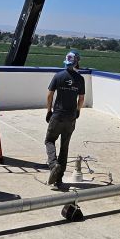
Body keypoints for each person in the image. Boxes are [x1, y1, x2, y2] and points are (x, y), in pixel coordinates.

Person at [45, 50, 85, 186]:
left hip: (57, 116)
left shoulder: (58, 76)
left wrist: (48, 111)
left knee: (49, 141)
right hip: (71, 117)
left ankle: (53, 165)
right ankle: (59, 179)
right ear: (77, 61)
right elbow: (81, 98)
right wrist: (78, 111)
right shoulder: (80, 79)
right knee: (64, 147)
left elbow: (49, 95)